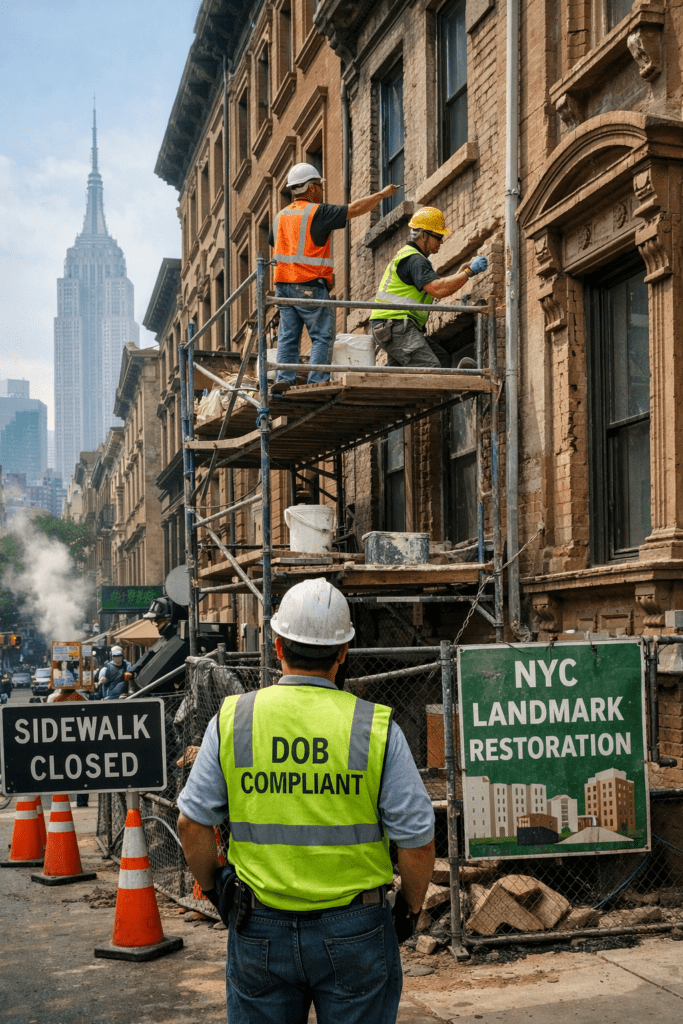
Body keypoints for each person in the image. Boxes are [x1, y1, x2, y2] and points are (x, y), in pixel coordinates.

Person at [177, 577, 435, 1024]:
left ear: (277, 646)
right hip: (355, 929)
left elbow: (190, 824)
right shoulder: (373, 727)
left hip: (258, 927)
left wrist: (219, 888)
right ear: (343, 652)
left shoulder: (235, 719)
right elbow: (417, 840)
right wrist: (409, 911)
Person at [270, 162, 401, 394]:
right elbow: (353, 209)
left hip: (283, 287)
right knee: (322, 335)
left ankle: (285, 379)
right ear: (311, 188)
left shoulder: (280, 217)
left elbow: (277, 242)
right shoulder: (317, 212)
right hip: (309, 285)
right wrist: (381, 195)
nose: (321, 191)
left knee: (288, 337)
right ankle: (316, 381)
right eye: (319, 186)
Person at [369, 206, 488, 368]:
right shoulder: (415, 260)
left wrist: (461, 272)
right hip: (395, 325)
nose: (441, 241)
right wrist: (468, 272)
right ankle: (457, 387)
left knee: (441, 360)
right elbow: (438, 289)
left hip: (393, 326)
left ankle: (451, 390)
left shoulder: (411, 257)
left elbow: (437, 286)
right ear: (423, 235)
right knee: (430, 369)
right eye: (438, 236)